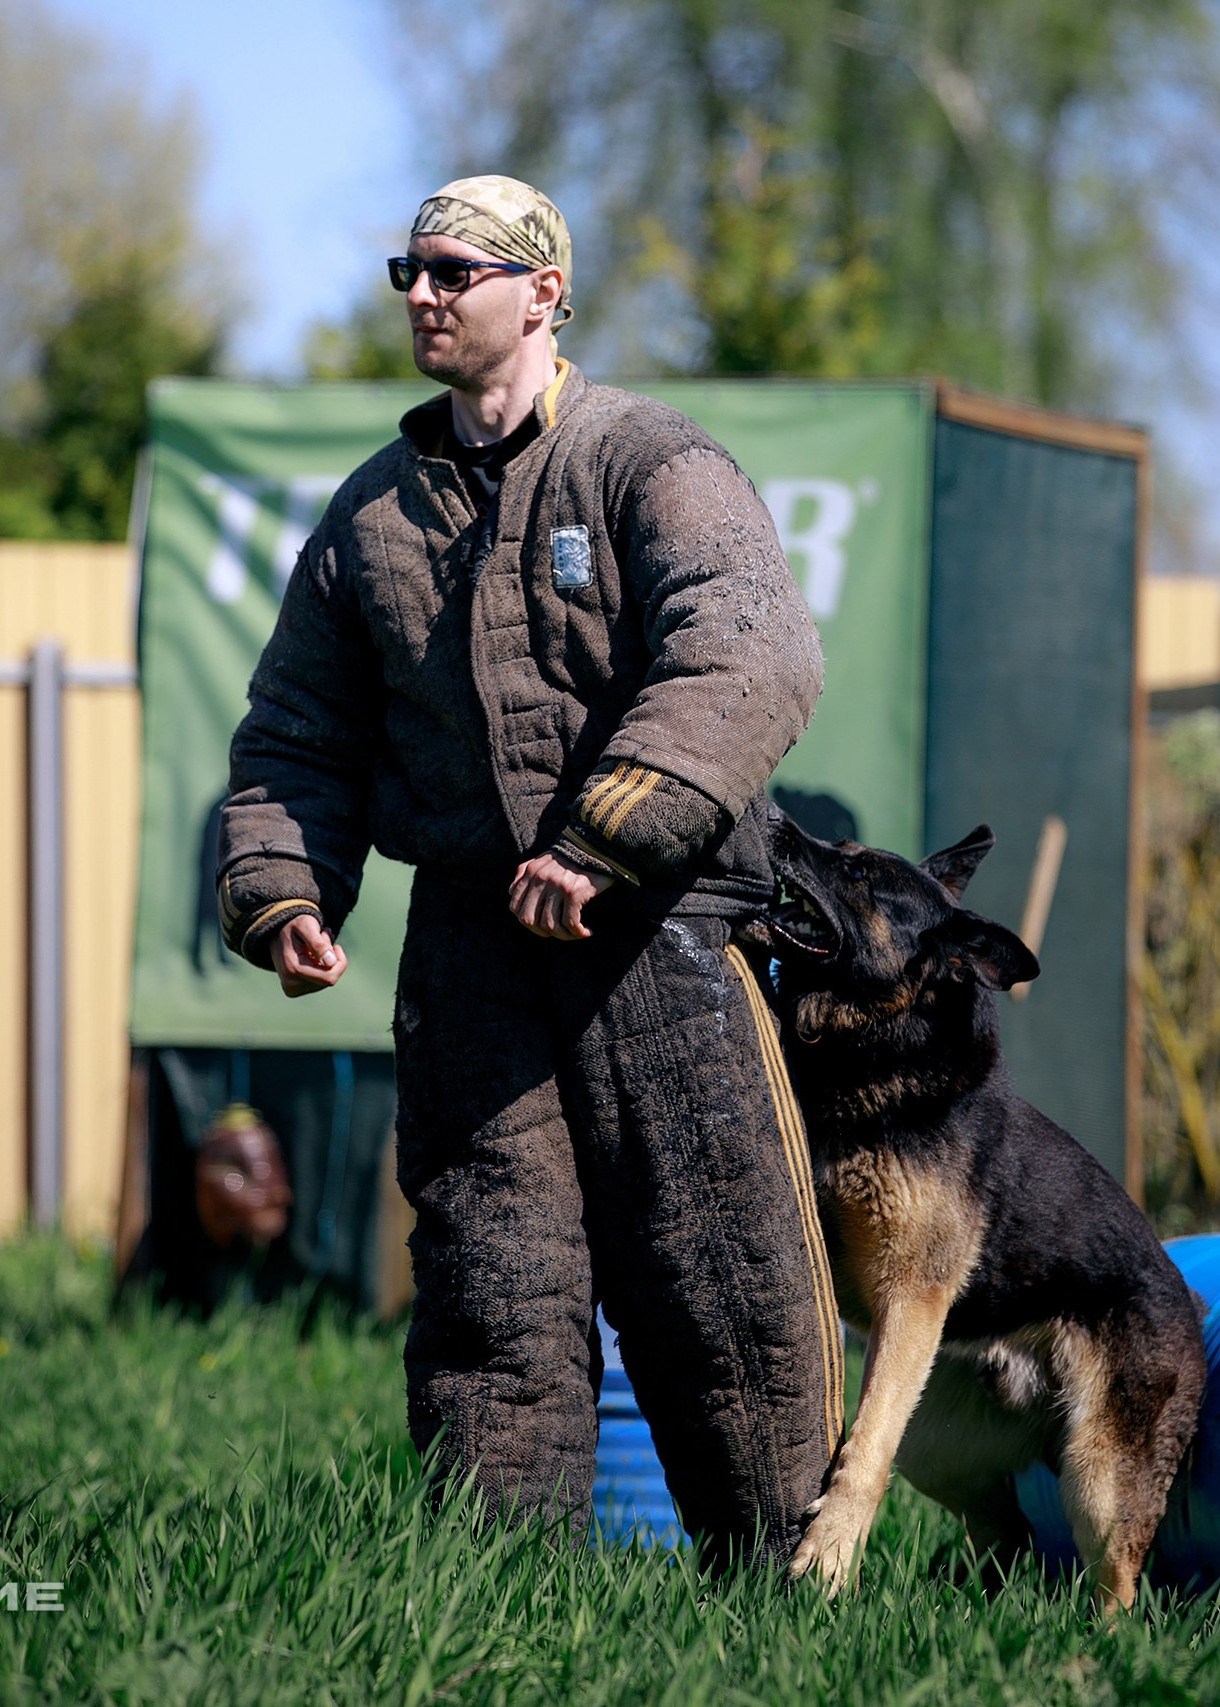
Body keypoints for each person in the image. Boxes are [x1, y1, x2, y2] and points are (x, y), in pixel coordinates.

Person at [215, 176, 840, 1567]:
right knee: (492, 1286)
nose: (424, 295)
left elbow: (752, 655)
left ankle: (789, 1606)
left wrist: (606, 837)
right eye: (409, 271)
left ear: (542, 294)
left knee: (720, 1277)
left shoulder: (654, 463)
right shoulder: (372, 517)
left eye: (455, 271)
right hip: (471, 955)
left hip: (664, 936)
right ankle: (498, 1604)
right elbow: (296, 731)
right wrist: (283, 889)